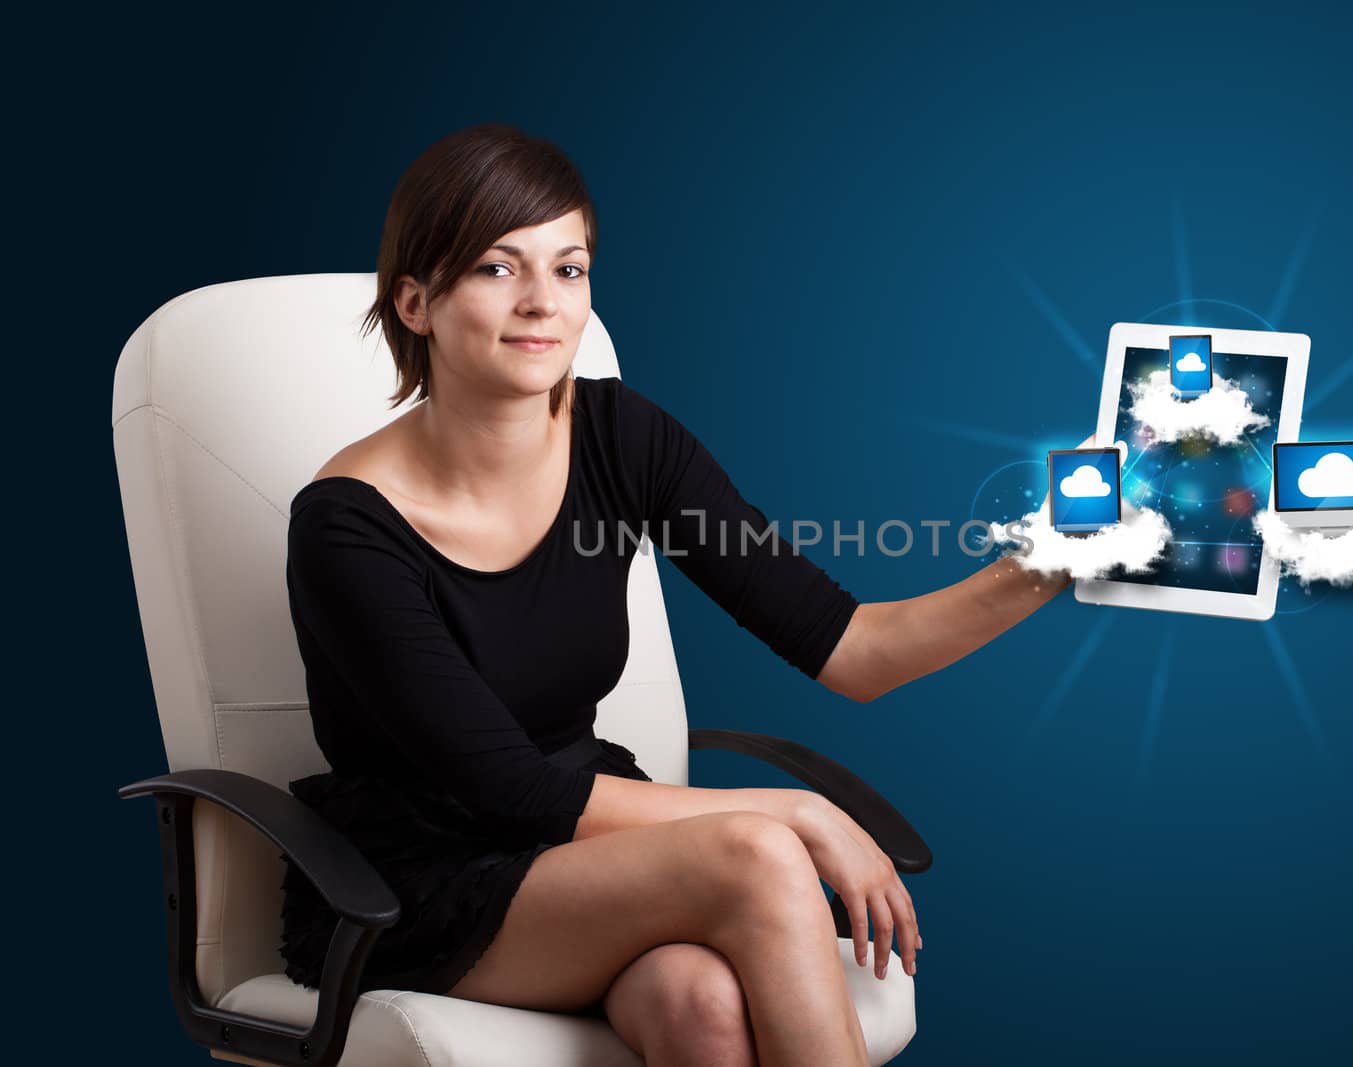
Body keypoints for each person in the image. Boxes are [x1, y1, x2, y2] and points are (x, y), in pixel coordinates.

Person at [278, 123, 1072, 1067]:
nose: (542, 302)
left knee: (702, 1008)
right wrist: (802, 814)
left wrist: (1052, 561)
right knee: (757, 852)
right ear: (416, 301)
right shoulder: (346, 525)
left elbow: (852, 648)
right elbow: (508, 788)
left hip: (582, 853)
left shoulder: (625, 438)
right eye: (498, 268)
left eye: (569, 269)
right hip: (412, 882)